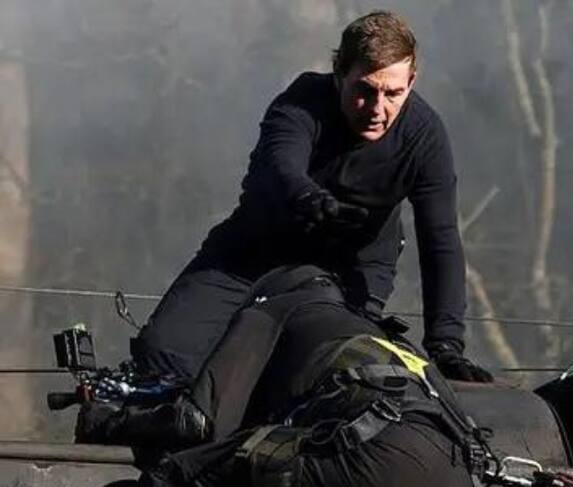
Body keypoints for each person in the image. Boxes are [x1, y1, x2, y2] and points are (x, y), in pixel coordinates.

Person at [131, 10, 491, 384]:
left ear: (411, 82)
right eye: (365, 91)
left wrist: (446, 344)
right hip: (253, 252)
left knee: (327, 375)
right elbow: (279, 166)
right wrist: (311, 200)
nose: (377, 109)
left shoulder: (425, 136)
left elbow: (440, 241)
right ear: (338, 74)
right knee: (163, 353)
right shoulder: (301, 102)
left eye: (393, 94)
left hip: (353, 269)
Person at [135, 264, 486, 487]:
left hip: (376, 457)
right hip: (456, 471)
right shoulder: (393, 339)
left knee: (189, 471)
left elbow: (200, 423)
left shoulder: (275, 310)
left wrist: (114, 420)